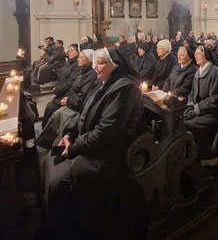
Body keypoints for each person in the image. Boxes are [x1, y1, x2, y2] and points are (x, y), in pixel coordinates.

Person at [42, 48, 145, 239]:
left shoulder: (126, 88)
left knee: (57, 182)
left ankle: (67, 230)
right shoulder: (106, 82)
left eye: (100, 63)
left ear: (115, 65)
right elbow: (84, 111)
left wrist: (73, 148)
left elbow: (106, 132)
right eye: (95, 63)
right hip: (89, 143)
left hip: (106, 154)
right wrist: (70, 133)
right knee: (51, 157)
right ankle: (53, 223)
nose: (95, 67)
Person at [37, 49, 101, 149]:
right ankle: (45, 140)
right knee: (54, 109)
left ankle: (52, 144)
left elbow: (82, 97)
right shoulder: (83, 70)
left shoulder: (92, 74)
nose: (78, 60)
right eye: (78, 57)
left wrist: (68, 100)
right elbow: (72, 86)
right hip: (72, 100)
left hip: (78, 106)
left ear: (90, 59)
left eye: (81, 57)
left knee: (57, 112)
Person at [184, 45, 218, 161]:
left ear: (206, 56)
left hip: (214, 111)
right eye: (195, 54)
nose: (195, 56)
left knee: (190, 125)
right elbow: (192, 92)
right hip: (202, 108)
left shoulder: (215, 72)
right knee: (181, 121)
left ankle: (200, 154)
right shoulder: (198, 71)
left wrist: (196, 110)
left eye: (198, 54)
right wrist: (190, 106)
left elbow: (214, 99)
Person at [42, 44, 81, 127]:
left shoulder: (77, 65)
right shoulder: (70, 62)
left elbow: (70, 83)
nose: (69, 52)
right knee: (50, 106)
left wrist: (57, 89)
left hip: (67, 93)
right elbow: (61, 77)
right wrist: (55, 86)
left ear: (78, 53)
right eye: (69, 50)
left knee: (52, 107)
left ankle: (49, 130)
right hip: (62, 90)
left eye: (72, 50)